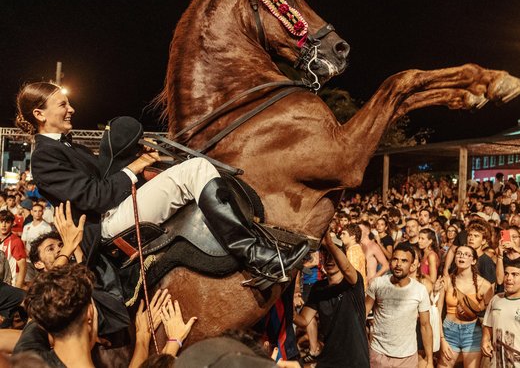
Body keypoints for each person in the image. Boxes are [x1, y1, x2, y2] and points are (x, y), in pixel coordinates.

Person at [15, 81, 308, 288]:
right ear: (39, 115)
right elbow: (95, 196)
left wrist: (147, 164)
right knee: (195, 170)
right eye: (63, 104)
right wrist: (135, 167)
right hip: (104, 226)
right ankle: (258, 257)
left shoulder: (70, 146)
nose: (72, 109)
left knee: (186, 166)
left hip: (116, 210)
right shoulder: (43, 158)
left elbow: (105, 176)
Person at [294, 234, 369, 368]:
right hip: (329, 358)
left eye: (333, 255)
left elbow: (347, 269)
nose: (329, 259)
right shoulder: (318, 287)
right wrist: (289, 308)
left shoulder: (353, 281)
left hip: (354, 360)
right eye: (325, 254)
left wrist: (329, 243)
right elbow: (304, 320)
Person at [366, 242, 434, 368]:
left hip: (407, 358)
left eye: (404, 261)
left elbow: (425, 326)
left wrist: (430, 360)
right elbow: (362, 314)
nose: (398, 264)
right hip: (379, 354)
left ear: (412, 265)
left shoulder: (420, 290)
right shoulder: (378, 284)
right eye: (395, 259)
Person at [438, 245, 493, 368]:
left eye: (467, 254)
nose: (461, 256)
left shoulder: (484, 285)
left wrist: (487, 338)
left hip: (473, 332)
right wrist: (441, 339)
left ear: (473, 261)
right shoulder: (446, 281)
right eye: (459, 253)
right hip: (449, 331)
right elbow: (437, 311)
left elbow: (490, 316)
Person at [0, 210, 27, 289]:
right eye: (1, 222)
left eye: (7, 222)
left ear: (12, 224)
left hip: (10, 285)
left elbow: (22, 266)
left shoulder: (16, 241)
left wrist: (18, 287)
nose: (4, 225)